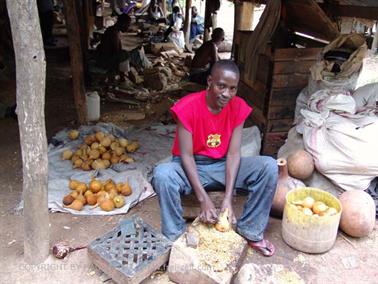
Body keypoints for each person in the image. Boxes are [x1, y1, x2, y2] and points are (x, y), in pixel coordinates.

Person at [152, 60, 278, 257]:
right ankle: (174, 238)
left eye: (232, 88)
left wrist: (228, 199)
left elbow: (234, 154)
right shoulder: (187, 107)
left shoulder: (238, 107)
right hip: (191, 166)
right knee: (162, 174)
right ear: (210, 81)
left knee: (268, 166)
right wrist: (203, 199)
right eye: (221, 86)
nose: (226, 93)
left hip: (221, 165)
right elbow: (185, 156)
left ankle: (251, 231)